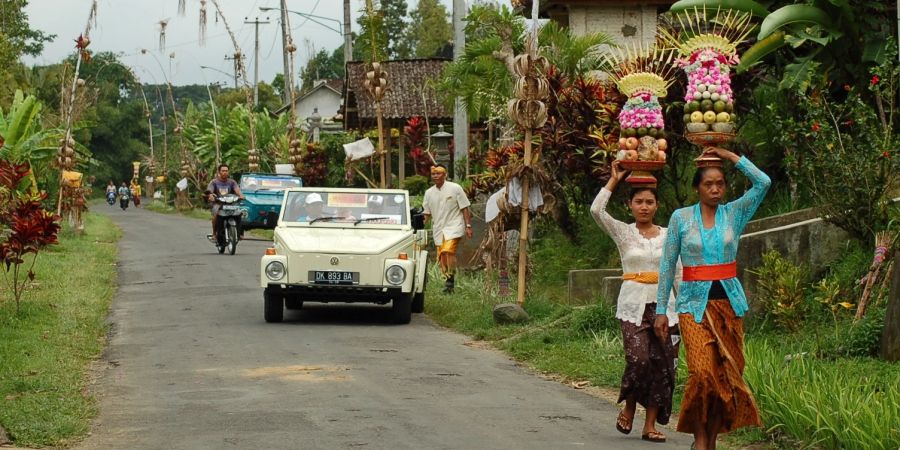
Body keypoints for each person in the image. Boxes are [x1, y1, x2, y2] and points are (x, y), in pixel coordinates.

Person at [654, 147, 771, 450]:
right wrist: (661, 310)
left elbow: (764, 183)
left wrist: (732, 157)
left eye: (720, 183)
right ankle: (700, 437)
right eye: (709, 184)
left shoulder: (735, 213)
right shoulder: (681, 218)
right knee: (702, 373)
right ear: (697, 187)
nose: (716, 189)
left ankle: (713, 438)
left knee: (727, 375)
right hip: (693, 307)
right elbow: (667, 265)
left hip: (729, 306)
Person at [590, 160, 680, 444]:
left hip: (666, 307)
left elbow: (677, 271)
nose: (644, 207)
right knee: (638, 359)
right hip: (632, 306)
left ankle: (650, 424)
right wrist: (614, 180)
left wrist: (686, 309)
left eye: (649, 202)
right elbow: (596, 211)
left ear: (657, 205)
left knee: (662, 365)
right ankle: (629, 405)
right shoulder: (624, 232)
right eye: (638, 202)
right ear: (629, 205)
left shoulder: (668, 235)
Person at [422, 164, 473, 293]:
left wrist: (468, 225)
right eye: (433, 173)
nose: (435, 175)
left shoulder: (455, 188)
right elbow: (426, 214)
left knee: (448, 251)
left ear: (445, 174)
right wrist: (417, 226)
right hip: (439, 228)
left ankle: (450, 282)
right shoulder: (428, 193)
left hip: (454, 225)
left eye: (438, 173)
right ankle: (449, 281)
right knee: (441, 256)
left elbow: (464, 207)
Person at [206, 164, 244, 239]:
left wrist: (241, 195)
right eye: (223, 171)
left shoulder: (232, 182)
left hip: (231, 203)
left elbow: (237, 190)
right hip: (217, 203)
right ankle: (214, 234)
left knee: (240, 213)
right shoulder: (214, 182)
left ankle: (239, 233)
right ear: (219, 172)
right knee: (216, 216)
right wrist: (211, 195)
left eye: (226, 171)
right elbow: (210, 190)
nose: (225, 172)